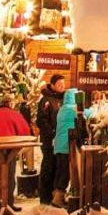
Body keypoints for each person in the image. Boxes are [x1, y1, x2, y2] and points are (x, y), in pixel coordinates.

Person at [35, 74, 65, 203]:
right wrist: (52, 133)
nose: (62, 86)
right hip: (49, 140)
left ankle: (54, 194)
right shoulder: (46, 100)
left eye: (63, 84)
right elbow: (41, 120)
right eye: (59, 84)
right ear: (52, 85)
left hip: (60, 139)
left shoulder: (64, 99)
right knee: (48, 165)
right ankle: (45, 195)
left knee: (58, 166)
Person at [51, 84, 84, 204]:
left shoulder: (62, 109)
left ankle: (56, 193)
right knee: (65, 172)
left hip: (58, 145)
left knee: (60, 170)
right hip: (66, 145)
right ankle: (58, 198)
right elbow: (87, 113)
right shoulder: (72, 109)